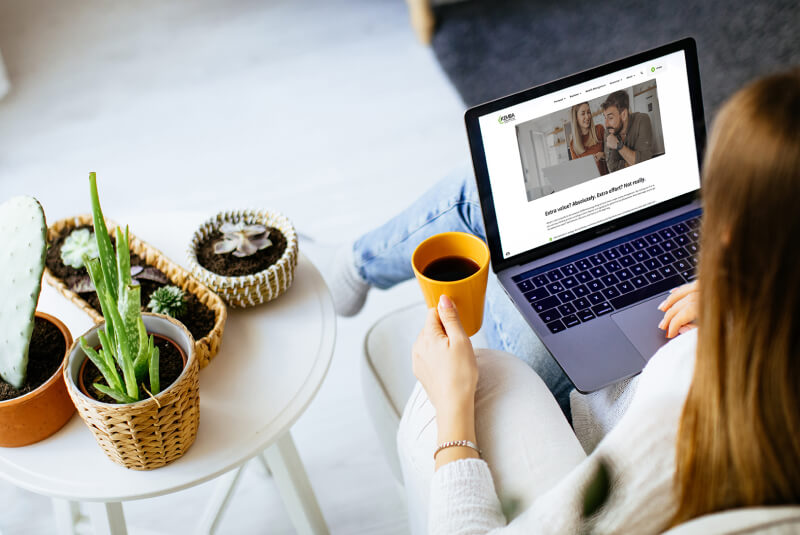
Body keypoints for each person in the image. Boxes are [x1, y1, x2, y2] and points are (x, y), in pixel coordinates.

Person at [397, 69, 800, 533]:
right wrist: (746, 298)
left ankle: (354, 268)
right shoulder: (756, 321)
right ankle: (356, 266)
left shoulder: (686, 420)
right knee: (483, 200)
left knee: (477, 202)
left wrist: (451, 406)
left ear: (728, 234)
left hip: (611, 433)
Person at [602, 89, 655, 172]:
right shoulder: (609, 131)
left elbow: (644, 162)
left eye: (610, 118)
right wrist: (632, 159)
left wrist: (618, 146)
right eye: (605, 118)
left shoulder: (642, 120)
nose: (606, 124)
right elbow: (612, 168)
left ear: (623, 115)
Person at [569, 102, 608, 175]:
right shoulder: (573, 144)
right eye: (583, 113)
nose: (587, 116)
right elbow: (578, 172)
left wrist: (602, 155)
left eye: (588, 112)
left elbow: (613, 154)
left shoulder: (599, 129)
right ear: (576, 118)